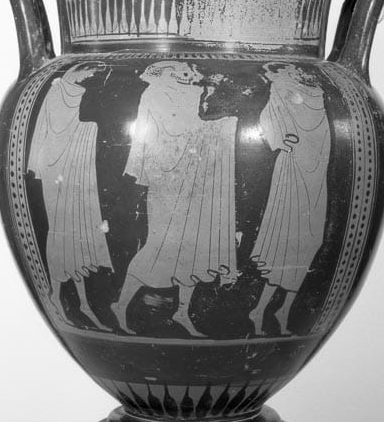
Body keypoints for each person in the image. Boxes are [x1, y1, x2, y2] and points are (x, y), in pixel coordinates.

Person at [111, 61, 238, 337]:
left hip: (192, 177)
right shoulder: (154, 94)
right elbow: (176, 130)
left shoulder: (189, 92)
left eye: (184, 70)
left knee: (192, 247)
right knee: (159, 246)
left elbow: (195, 125)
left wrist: (216, 113)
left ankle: (182, 311)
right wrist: (216, 121)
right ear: (163, 74)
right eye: (176, 70)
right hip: (165, 180)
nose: (183, 73)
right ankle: (121, 304)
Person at [27, 64, 112, 330]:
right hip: (57, 172)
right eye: (88, 74)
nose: (89, 78)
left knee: (77, 233)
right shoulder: (55, 91)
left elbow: (71, 129)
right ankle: (58, 295)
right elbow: (55, 136)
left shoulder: (74, 90)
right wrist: (89, 128)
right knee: (61, 231)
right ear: (77, 71)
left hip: (73, 170)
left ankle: (83, 304)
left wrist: (88, 128)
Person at [249, 63, 330, 335]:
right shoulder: (281, 89)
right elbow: (266, 117)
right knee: (285, 244)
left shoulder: (316, 86)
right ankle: (261, 309)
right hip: (293, 171)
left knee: (310, 241)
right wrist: (278, 140)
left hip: (316, 173)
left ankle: (282, 310)